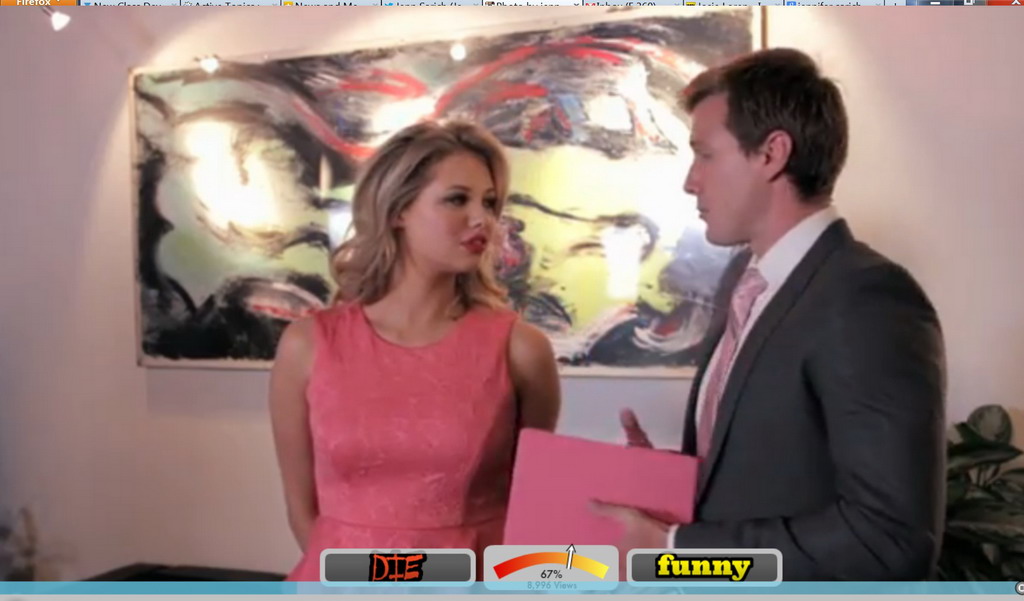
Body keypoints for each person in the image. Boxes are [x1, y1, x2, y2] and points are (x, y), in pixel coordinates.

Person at [591, 48, 946, 581]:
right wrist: (667, 479)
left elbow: (887, 542)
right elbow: (763, 467)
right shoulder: (742, 280)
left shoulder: (867, 298)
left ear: (772, 154)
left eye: (705, 154)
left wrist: (678, 551)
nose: (691, 181)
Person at [269, 120, 562, 581]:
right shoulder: (307, 345)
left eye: (489, 203)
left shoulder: (520, 350)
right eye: (457, 199)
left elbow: (531, 508)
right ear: (398, 210)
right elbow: (302, 511)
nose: (482, 219)